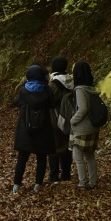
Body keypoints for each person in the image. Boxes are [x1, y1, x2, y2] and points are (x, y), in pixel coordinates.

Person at [12, 63, 55, 194]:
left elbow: (16, 102)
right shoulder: (47, 90)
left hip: (26, 128)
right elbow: (53, 104)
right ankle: (37, 184)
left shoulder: (23, 90)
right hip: (43, 127)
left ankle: (16, 185)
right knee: (41, 157)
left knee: (22, 158)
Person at [69, 59, 101, 190]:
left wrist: (72, 120)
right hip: (93, 126)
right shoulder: (92, 89)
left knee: (77, 155)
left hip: (82, 128)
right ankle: (92, 182)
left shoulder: (80, 90)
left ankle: (82, 182)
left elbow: (82, 108)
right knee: (90, 155)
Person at [48, 55, 73, 183]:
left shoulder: (53, 84)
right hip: (70, 117)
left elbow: (48, 101)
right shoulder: (72, 81)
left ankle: (53, 176)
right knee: (67, 146)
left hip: (55, 117)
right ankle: (66, 174)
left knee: (54, 147)